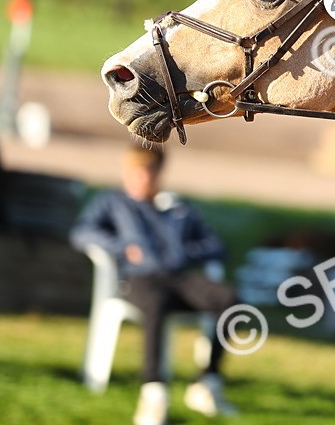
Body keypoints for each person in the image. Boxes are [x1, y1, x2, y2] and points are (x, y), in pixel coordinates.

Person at [71, 144, 239, 425]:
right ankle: (154, 392)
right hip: (141, 279)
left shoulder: (178, 208)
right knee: (156, 302)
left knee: (229, 299)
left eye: (146, 173)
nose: (139, 180)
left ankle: (207, 382)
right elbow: (82, 233)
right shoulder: (113, 202)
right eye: (134, 173)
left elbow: (216, 245)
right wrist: (123, 247)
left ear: (158, 173)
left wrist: (185, 252)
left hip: (179, 277)